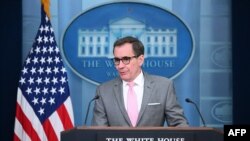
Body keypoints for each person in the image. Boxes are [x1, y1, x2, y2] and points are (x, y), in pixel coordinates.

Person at [91, 36, 188, 127]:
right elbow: (99, 132)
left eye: (126, 59)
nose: (120, 66)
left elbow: (179, 125)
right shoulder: (103, 91)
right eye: (117, 60)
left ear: (140, 60)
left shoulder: (164, 86)